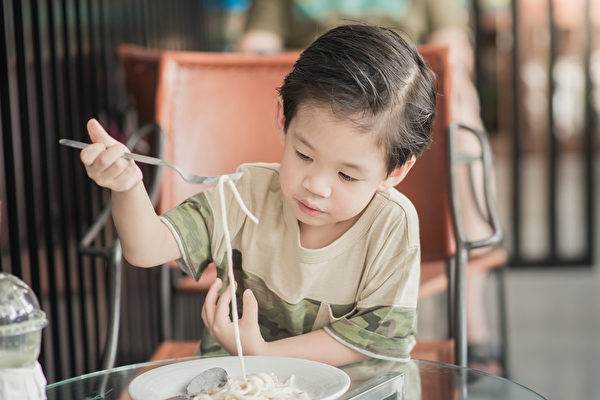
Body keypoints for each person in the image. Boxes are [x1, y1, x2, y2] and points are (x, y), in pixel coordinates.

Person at [79, 24, 435, 365]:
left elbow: (378, 340)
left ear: (396, 171)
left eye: (346, 175)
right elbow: (145, 248)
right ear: (283, 118)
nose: (317, 186)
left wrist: (263, 354)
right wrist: (126, 186)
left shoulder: (391, 223)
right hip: (236, 386)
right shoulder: (245, 194)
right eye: (304, 155)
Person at [239, 0, 500, 370]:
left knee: (464, 133)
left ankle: (472, 312)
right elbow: (255, 43)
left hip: (398, 104)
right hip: (321, 102)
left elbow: (452, 42)